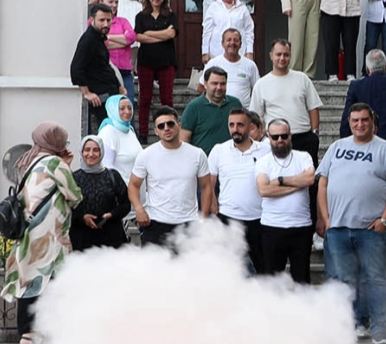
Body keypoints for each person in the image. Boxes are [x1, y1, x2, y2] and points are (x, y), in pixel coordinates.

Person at [317, 103, 386, 343]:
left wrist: (385, 219)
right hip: (338, 228)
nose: (359, 124)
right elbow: (322, 183)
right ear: (349, 122)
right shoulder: (336, 147)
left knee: (375, 278)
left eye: (364, 120)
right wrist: (325, 218)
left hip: (371, 229)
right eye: (355, 120)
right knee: (344, 280)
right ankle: (352, 325)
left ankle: (378, 328)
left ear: (372, 122)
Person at [3, 122, 81, 344]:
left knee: (29, 281)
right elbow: (74, 196)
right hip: (50, 236)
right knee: (55, 282)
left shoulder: (30, 161)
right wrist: (67, 165)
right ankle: (55, 331)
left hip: (29, 233)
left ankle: (27, 333)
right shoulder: (56, 163)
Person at [129, 106, 213, 250]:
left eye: (170, 124)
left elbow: (206, 187)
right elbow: (133, 185)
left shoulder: (197, 154)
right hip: (156, 222)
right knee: (154, 271)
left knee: (187, 270)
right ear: (156, 131)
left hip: (188, 222)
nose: (166, 128)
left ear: (178, 126)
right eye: (161, 126)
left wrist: (203, 219)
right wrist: (139, 209)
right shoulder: (146, 155)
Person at [206, 107, 270, 274]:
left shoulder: (266, 150)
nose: (235, 129)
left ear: (250, 127)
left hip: (259, 219)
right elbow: (208, 184)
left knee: (263, 270)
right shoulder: (219, 150)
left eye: (240, 125)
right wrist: (214, 210)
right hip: (228, 219)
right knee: (229, 271)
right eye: (231, 125)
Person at [248, 38, 325, 174]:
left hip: (304, 138)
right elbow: (256, 117)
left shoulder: (302, 79)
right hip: (277, 140)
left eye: (286, 54)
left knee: (309, 179)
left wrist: (315, 133)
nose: (282, 58)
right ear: (271, 55)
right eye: (278, 54)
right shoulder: (261, 84)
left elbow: (313, 107)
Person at [255, 118, 316, 283]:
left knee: (301, 281)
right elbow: (264, 190)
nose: (280, 140)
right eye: (275, 137)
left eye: (284, 136)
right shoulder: (263, 162)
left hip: (301, 227)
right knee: (272, 283)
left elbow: (310, 179)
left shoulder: (303, 157)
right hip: (272, 227)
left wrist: (280, 180)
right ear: (268, 137)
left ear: (291, 136)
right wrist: (297, 184)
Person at [70, 135, 129, 252]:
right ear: (81, 152)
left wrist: (111, 215)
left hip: (110, 239)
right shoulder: (73, 178)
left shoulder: (113, 176)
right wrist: (82, 217)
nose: (91, 154)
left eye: (96, 150)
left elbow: (126, 204)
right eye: (87, 150)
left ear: (101, 152)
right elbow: (67, 206)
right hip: (81, 239)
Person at [340, 49, 386, 144]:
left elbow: (347, 117)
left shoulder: (356, 86)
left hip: (365, 143)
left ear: (367, 69)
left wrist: (345, 143)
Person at [133, 0, 177, 136]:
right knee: (145, 98)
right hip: (146, 61)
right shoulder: (141, 16)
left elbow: (171, 35)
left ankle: (170, 131)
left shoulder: (171, 15)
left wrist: (149, 33)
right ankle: (143, 133)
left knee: (167, 99)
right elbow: (138, 36)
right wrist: (162, 34)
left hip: (166, 61)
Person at [70, 1, 121, 136]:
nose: (105, 24)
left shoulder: (98, 38)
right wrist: (87, 93)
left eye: (108, 20)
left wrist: (119, 86)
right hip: (100, 97)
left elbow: (104, 65)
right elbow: (76, 68)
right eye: (101, 20)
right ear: (92, 20)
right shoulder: (88, 40)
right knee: (107, 133)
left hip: (110, 93)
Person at [179, 67, 243, 153]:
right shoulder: (194, 107)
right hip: (204, 162)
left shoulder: (235, 104)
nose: (219, 87)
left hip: (231, 160)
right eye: (215, 83)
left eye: (222, 84)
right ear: (205, 84)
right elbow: (184, 140)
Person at [201, 0, 255, 71]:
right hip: (217, 54)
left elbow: (249, 31)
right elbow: (207, 31)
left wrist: (250, 52)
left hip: (239, 54)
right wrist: (205, 51)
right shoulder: (214, 7)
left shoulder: (243, 9)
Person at [194, 28, 260, 106]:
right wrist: (214, 103)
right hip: (219, 111)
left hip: (243, 112)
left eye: (236, 40)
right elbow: (201, 87)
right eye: (229, 40)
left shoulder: (250, 65)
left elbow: (258, 90)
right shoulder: (213, 63)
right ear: (222, 43)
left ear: (241, 44)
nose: (232, 43)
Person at [102, 0, 139, 112]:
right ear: (101, 2)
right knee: (110, 107)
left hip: (124, 70)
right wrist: (122, 41)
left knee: (128, 105)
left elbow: (131, 38)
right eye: (110, 2)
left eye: (116, 2)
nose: (114, 5)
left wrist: (109, 37)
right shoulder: (94, 22)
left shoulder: (122, 21)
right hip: (106, 71)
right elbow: (100, 43)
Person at [96, 94, 142, 185]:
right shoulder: (108, 132)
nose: (127, 112)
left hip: (136, 190)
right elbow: (106, 168)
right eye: (122, 108)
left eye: (130, 108)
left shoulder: (130, 130)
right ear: (113, 110)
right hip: (121, 192)